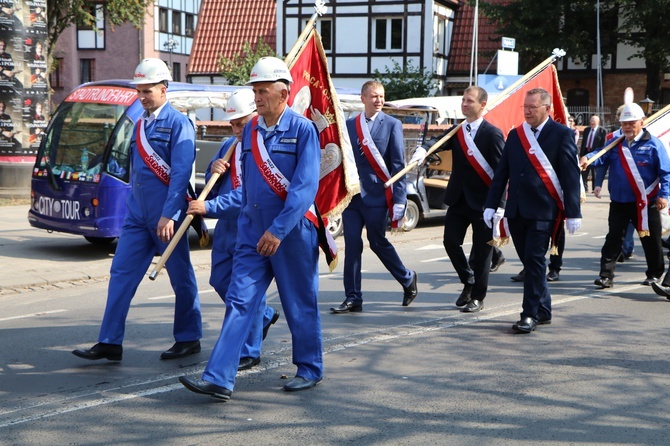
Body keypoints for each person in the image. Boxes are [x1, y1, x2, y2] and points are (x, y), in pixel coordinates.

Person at [179, 57, 324, 400]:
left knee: (299, 303)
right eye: (254, 91)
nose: (256, 97)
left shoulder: (303, 131)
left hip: (289, 234)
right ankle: (218, 378)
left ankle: (309, 367)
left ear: (283, 93)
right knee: (239, 302)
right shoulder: (251, 132)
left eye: (262, 90)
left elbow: (304, 188)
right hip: (251, 233)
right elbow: (247, 186)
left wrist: (277, 230)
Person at [72, 58, 202, 361]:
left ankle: (189, 336)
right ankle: (110, 341)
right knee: (121, 273)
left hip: (166, 216)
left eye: (148, 91)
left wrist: (169, 214)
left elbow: (181, 174)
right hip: (137, 215)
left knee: (180, 275)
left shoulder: (178, 123)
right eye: (140, 91)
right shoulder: (140, 123)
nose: (142, 96)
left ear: (164, 88)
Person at [186, 89, 279, 371]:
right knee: (219, 280)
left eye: (242, 122)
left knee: (244, 293)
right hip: (227, 227)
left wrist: (209, 208)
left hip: (249, 227)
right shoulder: (229, 143)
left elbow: (249, 194)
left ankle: (250, 350)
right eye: (233, 124)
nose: (237, 129)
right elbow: (217, 179)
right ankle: (262, 315)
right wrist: (216, 166)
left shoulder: (264, 146)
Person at [484, 88, 582, 333]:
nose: (527, 111)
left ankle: (529, 314)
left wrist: (573, 211)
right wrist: (491, 203)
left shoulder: (562, 134)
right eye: (525, 107)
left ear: (547, 109)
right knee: (531, 262)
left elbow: (570, 175)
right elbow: (502, 173)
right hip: (516, 210)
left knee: (535, 262)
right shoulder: (516, 135)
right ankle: (544, 309)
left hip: (543, 211)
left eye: (532, 107)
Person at [331, 80, 419, 314]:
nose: (379, 100)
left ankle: (407, 278)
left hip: (378, 197)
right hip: (354, 197)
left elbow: (397, 165)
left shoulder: (392, 124)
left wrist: (399, 200)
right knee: (351, 245)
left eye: (381, 96)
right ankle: (353, 297)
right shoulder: (350, 126)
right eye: (374, 96)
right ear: (363, 99)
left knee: (378, 242)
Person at [428, 86, 505, 312]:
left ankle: (477, 296)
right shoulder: (458, 131)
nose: (464, 104)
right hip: (458, 200)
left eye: (469, 101)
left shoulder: (492, 134)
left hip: (484, 204)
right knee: (450, 242)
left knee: (482, 253)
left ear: (482, 105)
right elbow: (437, 143)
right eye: (463, 100)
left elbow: (501, 173)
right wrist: (422, 151)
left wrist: (499, 205)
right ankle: (468, 280)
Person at [580, 103, 670, 289]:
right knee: (613, 238)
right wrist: (588, 158)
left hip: (646, 202)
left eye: (631, 123)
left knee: (650, 240)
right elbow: (601, 155)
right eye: (624, 124)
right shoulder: (616, 142)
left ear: (642, 122)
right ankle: (606, 276)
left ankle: (654, 274)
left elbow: (666, 172)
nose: (627, 127)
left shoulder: (653, 144)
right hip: (619, 201)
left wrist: (664, 195)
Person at [580, 115, 607, 193]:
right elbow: (583, 142)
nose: (592, 122)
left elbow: (603, 144)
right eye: (591, 120)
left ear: (598, 122)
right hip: (586, 152)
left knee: (594, 172)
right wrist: (582, 154)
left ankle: (594, 188)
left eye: (594, 121)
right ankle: (584, 188)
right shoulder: (587, 130)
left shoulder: (602, 131)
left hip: (595, 153)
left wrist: (600, 154)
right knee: (584, 171)